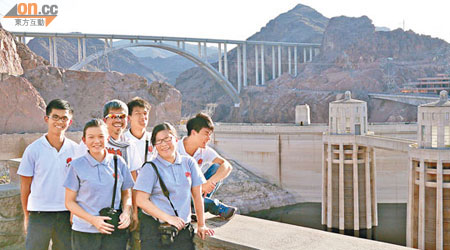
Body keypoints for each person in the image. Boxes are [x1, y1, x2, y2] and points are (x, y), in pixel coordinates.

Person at [135, 122, 214, 249]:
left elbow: (197, 196)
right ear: (154, 145)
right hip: (155, 230)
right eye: (159, 141)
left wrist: (201, 224)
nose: (164, 144)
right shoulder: (150, 168)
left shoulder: (189, 162)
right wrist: (169, 218)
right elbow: (140, 200)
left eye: (167, 139)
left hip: (182, 230)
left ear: (176, 139)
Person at [18, 99, 80, 250]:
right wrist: (27, 216)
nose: (60, 121)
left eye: (64, 118)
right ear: (47, 119)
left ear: (70, 121)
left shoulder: (76, 150)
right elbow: (25, 186)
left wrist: (75, 212)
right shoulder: (33, 150)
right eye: (55, 117)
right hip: (39, 214)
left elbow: (80, 184)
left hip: (66, 213)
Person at [64, 119, 134, 250]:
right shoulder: (76, 166)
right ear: (84, 140)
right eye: (91, 137)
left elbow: (126, 193)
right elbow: (69, 202)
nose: (97, 141)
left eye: (101, 136)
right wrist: (93, 220)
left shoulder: (118, 162)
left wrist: (126, 212)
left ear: (107, 138)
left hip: (114, 230)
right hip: (85, 232)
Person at [178, 113, 236, 219]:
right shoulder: (175, 149)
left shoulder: (203, 151)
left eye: (210, 134)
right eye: (206, 134)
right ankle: (216, 207)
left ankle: (195, 207)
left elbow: (227, 166)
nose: (209, 138)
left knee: (218, 167)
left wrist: (210, 182)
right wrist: (200, 187)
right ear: (194, 133)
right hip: (177, 194)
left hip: (195, 192)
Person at [124, 97, 153, 248]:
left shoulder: (154, 139)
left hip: (150, 198)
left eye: (145, 113)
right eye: (138, 113)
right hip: (129, 197)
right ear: (129, 118)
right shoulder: (123, 141)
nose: (143, 117)